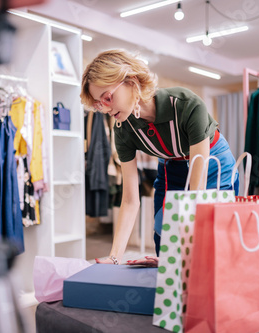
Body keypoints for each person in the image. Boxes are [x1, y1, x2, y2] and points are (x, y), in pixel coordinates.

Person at [80, 49, 239, 265]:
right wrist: (114, 257)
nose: (106, 108)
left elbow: (196, 194)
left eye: (108, 97)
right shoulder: (123, 129)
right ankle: (168, 283)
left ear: (131, 81)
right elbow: (129, 199)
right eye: (100, 103)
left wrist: (175, 258)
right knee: (162, 229)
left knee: (210, 234)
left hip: (213, 164)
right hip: (171, 165)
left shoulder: (186, 105)